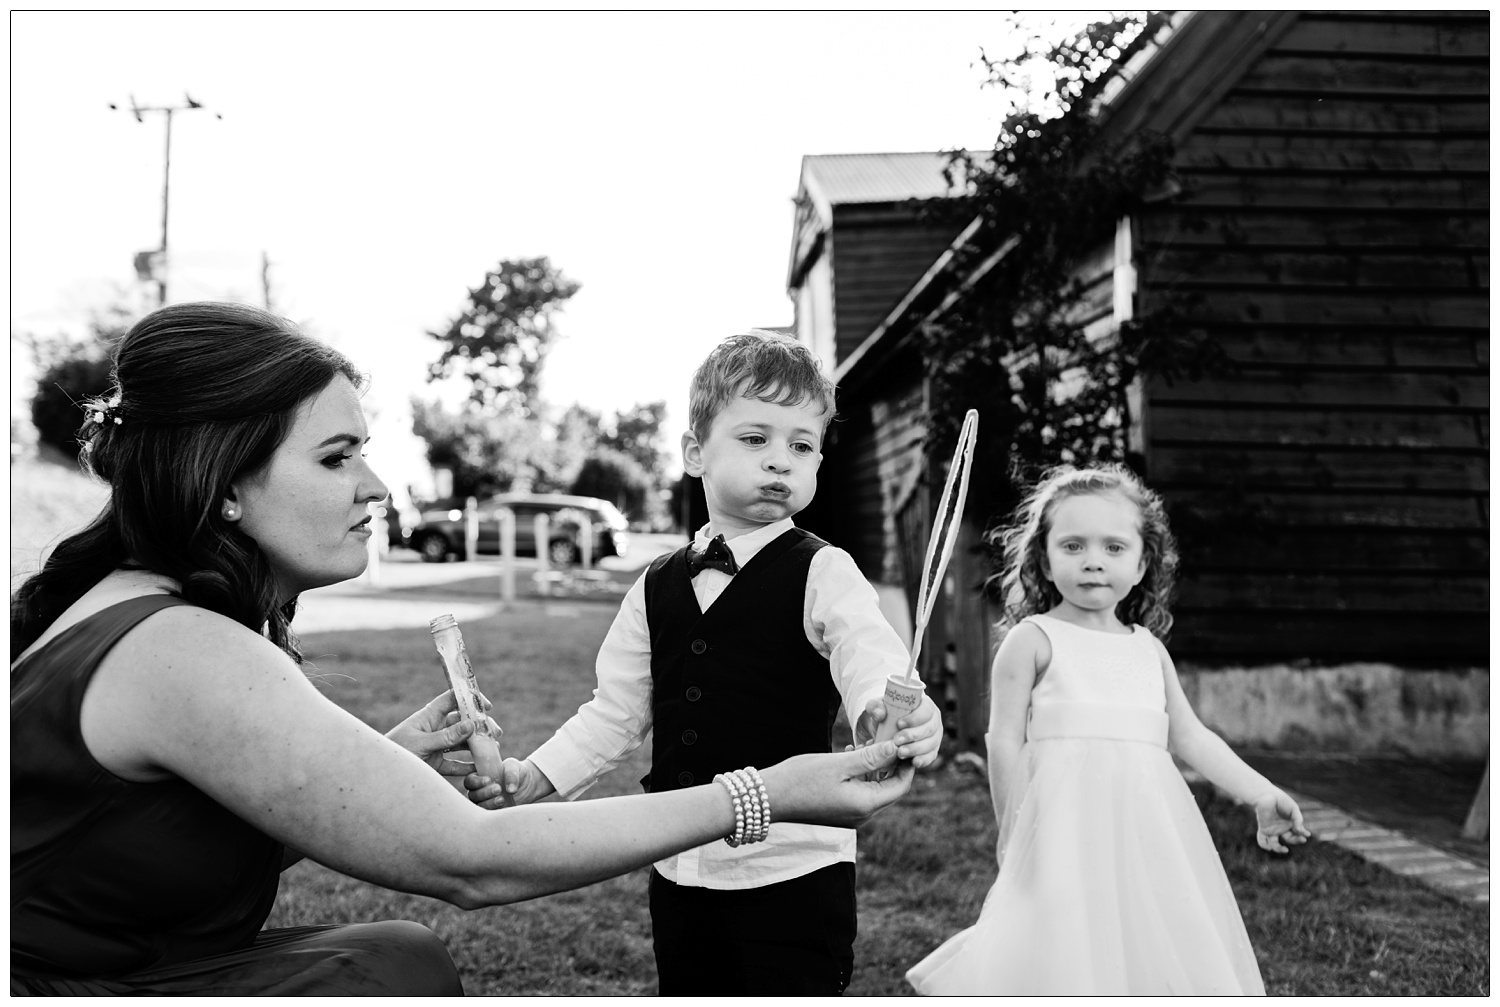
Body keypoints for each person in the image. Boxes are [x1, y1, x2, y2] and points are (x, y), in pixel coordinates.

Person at [10, 303, 915, 996]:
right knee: (393, 970)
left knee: (392, 954)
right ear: (226, 481)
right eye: (336, 458)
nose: (377, 485)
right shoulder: (179, 648)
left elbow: (181, 843)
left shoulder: (163, 615)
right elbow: (473, 857)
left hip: (124, 965)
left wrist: (385, 764)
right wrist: (768, 791)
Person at [463, 330, 945, 995]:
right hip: (679, 867)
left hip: (797, 873)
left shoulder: (823, 569)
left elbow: (869, 650)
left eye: (801, 446)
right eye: (756, 439)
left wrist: (884, 714)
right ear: (695, 452)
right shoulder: (654, 583)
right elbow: (615, 712)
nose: (781, 461)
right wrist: (535, 779)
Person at [905, 464, 1311, 996]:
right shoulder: (1033, 640)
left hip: (1148, 833)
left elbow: (1190, 737)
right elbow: (1004, 739)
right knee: (1065, 945)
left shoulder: (1148, 649)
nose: (1093, 561)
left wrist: (1260, 793)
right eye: (1073, 546)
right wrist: (1012, 827)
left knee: (1147, 940)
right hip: (1061, 829)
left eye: (1114, 548)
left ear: (1143, 564)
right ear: (1044, 561)